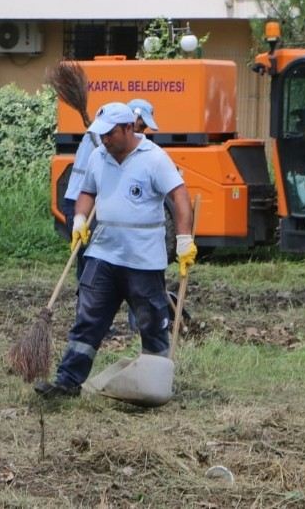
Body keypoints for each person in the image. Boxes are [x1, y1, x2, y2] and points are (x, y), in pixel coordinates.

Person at [35, 101, 196, 399]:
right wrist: (81, 219)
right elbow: (87, 191)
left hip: (143, 260)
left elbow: (180, 195)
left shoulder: (154, 159)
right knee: (88, 320)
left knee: (151, 323)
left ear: (127, 128)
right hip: (103, 254)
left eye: (110, 134)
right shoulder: (99, 156)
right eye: (102, 134)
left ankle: (155, 383)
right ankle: (67, 382)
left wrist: (185, 240)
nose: (105, 139)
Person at [61, 98, 160, 280]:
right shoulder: (105, 136)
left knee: (98, 263)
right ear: (132, 119)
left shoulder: (110, 136)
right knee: (93, 262)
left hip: (92, 201)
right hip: (82, 203)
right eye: (142, 125)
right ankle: (88, 304)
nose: (142, 131)